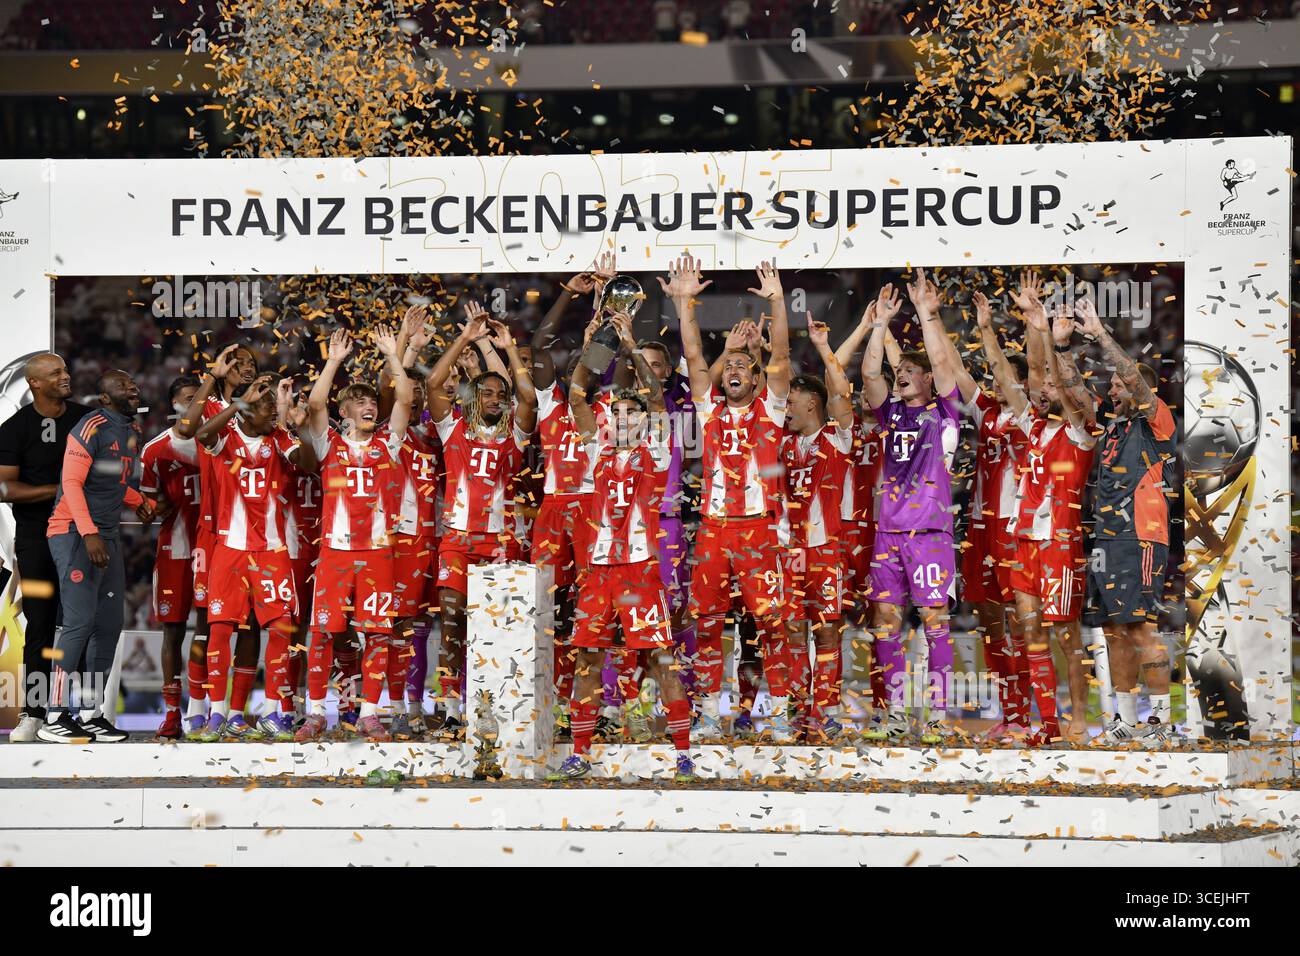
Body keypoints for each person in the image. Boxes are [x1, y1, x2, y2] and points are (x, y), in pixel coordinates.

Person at [550, 313, 696, 781]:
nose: (624, 418)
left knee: (659, 658)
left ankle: (682, 754)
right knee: (589, 659)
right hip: (598, 571)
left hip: (640, 569)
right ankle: (580, 751)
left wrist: (630, 342)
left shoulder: (655, 447)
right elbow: (577, 391)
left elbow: (654, 393)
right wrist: (598, 341)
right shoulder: (597, 450)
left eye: (632, 413)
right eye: (617, 412)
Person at [669, 255, 794, 741]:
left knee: (771, 624)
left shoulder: (772, 409)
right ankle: (704, 711)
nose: (736, 369)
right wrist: (684, 305)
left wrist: (778, 301)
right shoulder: (710, 411)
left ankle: (779, 711)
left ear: (760, 380)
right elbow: (697, 358)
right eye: (733, 365)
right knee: (706, 622)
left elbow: (780, 351)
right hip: (715, 529)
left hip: (759, 529)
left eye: (746, 364)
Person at [421, 303, 536, 739]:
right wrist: (466, 339)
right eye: (485, 393)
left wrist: (506, 350)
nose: (493, 399)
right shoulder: (453, 430)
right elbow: (434, 382)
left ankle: (493, 710)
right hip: (457, 540)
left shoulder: (514, 436)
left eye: (498, 394)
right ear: (474, 398)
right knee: (451, 621)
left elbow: (529, 397)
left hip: (501, 543)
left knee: (495, 629)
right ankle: (450, 710)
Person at [860, 270, 965, 744]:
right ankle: (898, 711)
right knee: (885, 623)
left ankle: (938, 714)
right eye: (898, 371)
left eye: (908, 371)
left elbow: (943, 363)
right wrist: (880, 323)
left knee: (934, 622)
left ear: (926, 379)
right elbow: (867, 374)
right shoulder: (892, 411)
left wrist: (926, 313)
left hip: (929, 535)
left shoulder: (945, 412)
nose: (899, 375)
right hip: (888, 535)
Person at [297, 327, 412, 742]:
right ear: (344, 412)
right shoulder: (329, 445)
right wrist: (333, 361)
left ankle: (369, 713)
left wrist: (391, 352)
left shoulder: (388, 445)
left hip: (379, 554)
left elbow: (405, 398)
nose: (367, 406)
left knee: (378, 633)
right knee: (323, 632)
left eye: (370, 402)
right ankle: (314, 714)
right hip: (336, 554)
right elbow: (313, 403)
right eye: (358, 401)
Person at [192, 374, 318, 742]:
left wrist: (303, 428)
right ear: (247, 410)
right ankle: (217, 714)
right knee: (220, 629)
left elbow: (309, 463)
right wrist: (237, 403)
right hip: (230, 549)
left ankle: (277, 712)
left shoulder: (280, 439)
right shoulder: (227, 437)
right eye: (266, 407)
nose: (274, 413)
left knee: (281, 628)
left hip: (272, 552)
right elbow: (201, 436)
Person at [1077, 298, 1179, 745]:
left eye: (1118, 385)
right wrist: (1060, 347)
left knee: (1140, 627)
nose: (1111, 390)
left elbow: (1135, 378)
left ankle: (1161, 723)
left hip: (1140, 535)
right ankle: (1122, 721)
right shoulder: (1111, 428)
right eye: (1112, 385)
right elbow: (1072, 391)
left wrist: (1100, 336)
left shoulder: (1156, 422)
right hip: (1105, 538)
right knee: (1113, 629)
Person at [1001, 279, 1098, 745]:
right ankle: (1048, 724)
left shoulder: (1080, 430)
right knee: (1032, 633)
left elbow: (1061, 382)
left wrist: (1058, 344)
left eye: (1048, 391)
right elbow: (1033, 374)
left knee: (1066, 638)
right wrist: (1034, 325)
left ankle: (1079, 719)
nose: (1039, 392)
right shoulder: (1034, 427)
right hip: (1025, 544)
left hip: (1060, 544)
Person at [38, 370, 154, 743]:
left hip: (105, 534)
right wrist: (88, 533)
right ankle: (53, 715)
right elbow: (71, 483)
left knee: (108, 626)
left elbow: (112, 482)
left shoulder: (128, 433)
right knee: (78, 624)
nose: (132, 388)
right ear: (105, 398)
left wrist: (142, 502)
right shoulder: (91, 426)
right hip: (73, 532)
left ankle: (90, 713)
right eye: (123, 385)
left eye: (133, 383)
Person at [0, 353, 92, 740]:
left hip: (83, 535)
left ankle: (83, 711)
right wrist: (60, 492)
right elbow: (4, 488)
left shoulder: (86, 421)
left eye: (66, 370)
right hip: (35, 539)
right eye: (55, 373)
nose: (65, 376)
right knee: (39, 624)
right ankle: (33, 713)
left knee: (83, 623)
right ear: (34, 383)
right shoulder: (14, 428)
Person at [779, 319, 854, 741]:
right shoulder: (784, 444)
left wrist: (824, 347)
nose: (784, 408)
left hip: (825, 550)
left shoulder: (835, 439)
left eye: (791, 401)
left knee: (826, 628)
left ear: (811, 405)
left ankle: (824, 711)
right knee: (792, 628)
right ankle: (795, 710)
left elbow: (842, 395)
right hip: (790, 552)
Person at [970, 290, 1033, 741]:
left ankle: (1032, 715)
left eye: (1007, 376)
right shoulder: (987, 412)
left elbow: (1001, 372)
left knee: (1020, 620)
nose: (998, 381)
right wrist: (927, 317)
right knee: (989, 621)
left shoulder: (1031, 416)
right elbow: (951, 367)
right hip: (978, 529)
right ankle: (1011, 713)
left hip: (1013, 528)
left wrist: (988, 331)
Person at [139, 374, 204, 739]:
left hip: (214, 548)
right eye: (187, 399)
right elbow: (150, 502)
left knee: (209, 630)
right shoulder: (155, 449)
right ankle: (171, 712)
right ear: (174, 406)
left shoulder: (220, 438)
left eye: (199, 397)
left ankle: (200, 710)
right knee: (173, 631)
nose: (194, 404)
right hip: (176, 548)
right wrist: (153, 507)